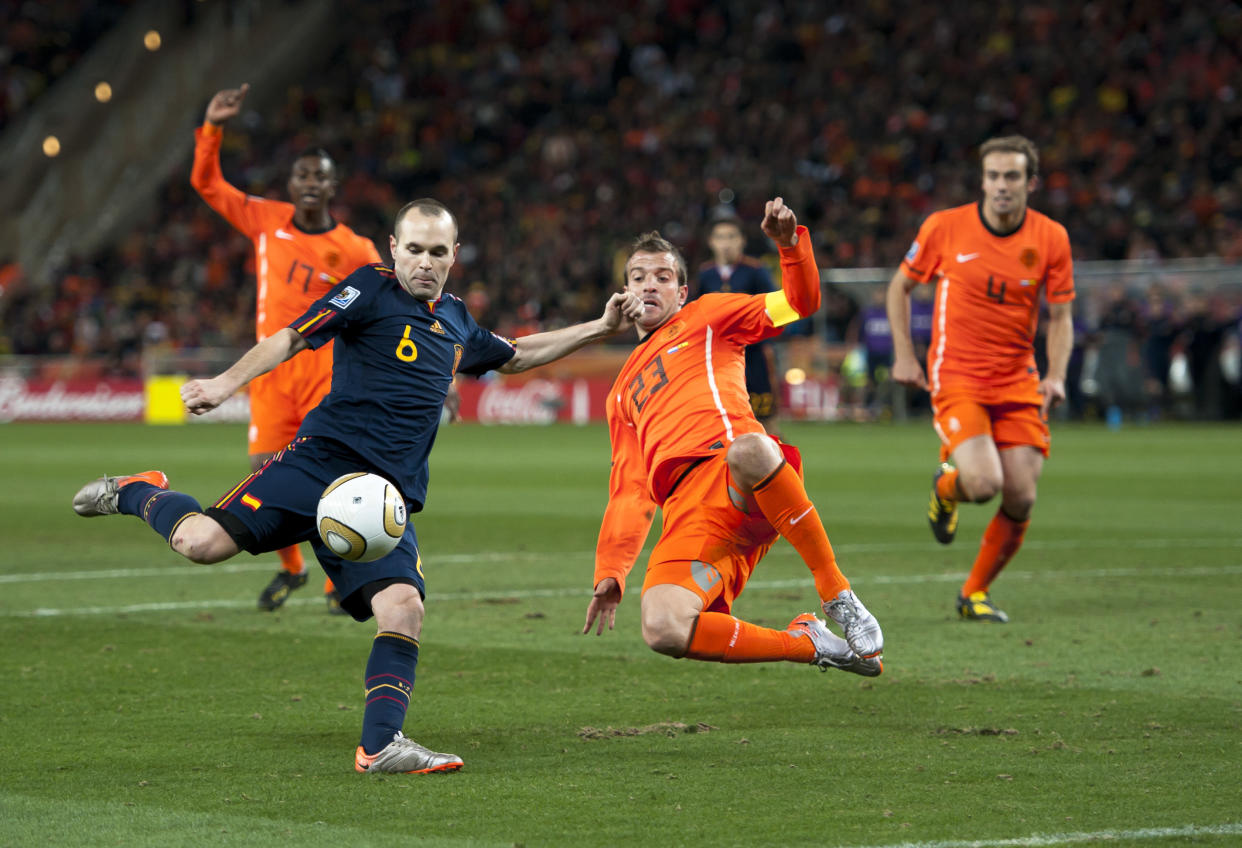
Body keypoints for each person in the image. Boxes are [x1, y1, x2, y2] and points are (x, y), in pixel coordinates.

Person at [73, 199, 644, 774]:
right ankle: (135, 490)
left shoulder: (457, 321)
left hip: (380, 498)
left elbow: (517, 355)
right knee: (199, 544)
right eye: (414, 249)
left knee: (404, 607)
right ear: (393, 248)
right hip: (318, 464)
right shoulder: (368, 289)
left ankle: (381, 746)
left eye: (437, 252)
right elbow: (294, 338)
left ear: (455, 256)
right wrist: (225, 384)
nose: (425, 262)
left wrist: (600, 327)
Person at [582, 198, 883, 676]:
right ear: (624, 293)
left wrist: (789, 248)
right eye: (639, 276)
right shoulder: (620, 394)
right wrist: (611, 572)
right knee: (662, 627)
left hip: (738, 476)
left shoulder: (709, 316)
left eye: (662, 276)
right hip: (689, 515)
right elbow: (630, 488)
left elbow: (798, 304)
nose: (649, 284)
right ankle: (809, 644)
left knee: (750, 446)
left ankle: (836, 593)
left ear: (682, 293)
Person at [191, 83, 383, 614]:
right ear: (291, 183)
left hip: (325, 371)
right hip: (272, 372)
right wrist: (212, 128)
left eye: (320, 176)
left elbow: (389, 305)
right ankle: (293, 569)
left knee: (330, 475)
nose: (311, 184)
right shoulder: (264, 220)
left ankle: (335, 583)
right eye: (303, 175)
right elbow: (206, 184)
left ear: (333, 186)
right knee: (263, 469)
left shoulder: (356, 250)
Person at [885, 135, 1075, 623]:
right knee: (986, 482)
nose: (1001, 186)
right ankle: (947, 488)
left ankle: (974, 594)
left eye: (1012, 176)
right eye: (993, 176)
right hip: (958, 376)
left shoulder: (1051, 237)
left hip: (1018, 380)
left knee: (1022, 494)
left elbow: (1060, 317)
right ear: (982, 181)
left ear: (1030, 183)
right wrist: (905, 355)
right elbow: (900, 287)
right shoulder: (945, 228)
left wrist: (1056, 375)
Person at [696, 216, 781, 435]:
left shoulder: (756, 271)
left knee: (764, 419)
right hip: (717, 358)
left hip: (754, 356)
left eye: (731, 237)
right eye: (720, 237)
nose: (726, 243)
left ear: (742, 241)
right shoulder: (705, 275)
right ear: (711, 242)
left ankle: (777, 464)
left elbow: (774, 306)